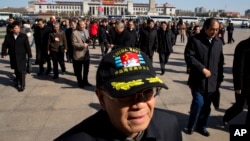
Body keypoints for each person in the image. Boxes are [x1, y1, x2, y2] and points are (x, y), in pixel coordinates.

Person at [54, 47, 182, 141]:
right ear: (101, 98)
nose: (139, 104)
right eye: (126, 94)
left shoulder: (170, 126)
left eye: (147, 91)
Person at [184, 18, 224, 136]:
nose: (215, 32)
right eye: (212, 29)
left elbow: (220, 62)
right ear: (205, 28)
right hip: (198, 80)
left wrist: (220, 78)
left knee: (207, 107)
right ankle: (191, 125)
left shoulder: (218, 42)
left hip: (212, 81)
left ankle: (202, 126)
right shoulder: (195, 40)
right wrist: (202, 69)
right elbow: (189, 57)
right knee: (198, 103)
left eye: (217, 29)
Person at [223, 37, 250, 128]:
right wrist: (238, 87)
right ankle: (227, 116)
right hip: (244, 85)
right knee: (239, 106)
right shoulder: (243, 46)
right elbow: (238, 69)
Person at [1, 21, 32, 92]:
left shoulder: (23, 36)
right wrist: (4, 53)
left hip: (22, 56)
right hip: (13, 56)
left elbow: (27, 46)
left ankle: (22, 85)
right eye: (15, 28)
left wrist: (29, 54)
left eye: (18, 28)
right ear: (12, 29)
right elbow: (4, 45)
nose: (17, 29)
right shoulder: (8, 37)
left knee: (22, 71)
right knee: (16, 70)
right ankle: (17, 81)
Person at [72, 20, 92, 88]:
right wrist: (82, 45)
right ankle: (80, 82)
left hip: (86, 53)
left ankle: (85, 81)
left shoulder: (86, 31)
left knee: (86, 69)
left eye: (84, 24)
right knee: (79, 69)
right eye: (81, 25)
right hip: (78, 53)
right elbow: (74, 44)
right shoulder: (74, 33)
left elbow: (87, 39)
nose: (83, 26)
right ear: (78, 25)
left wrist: (89, 41)